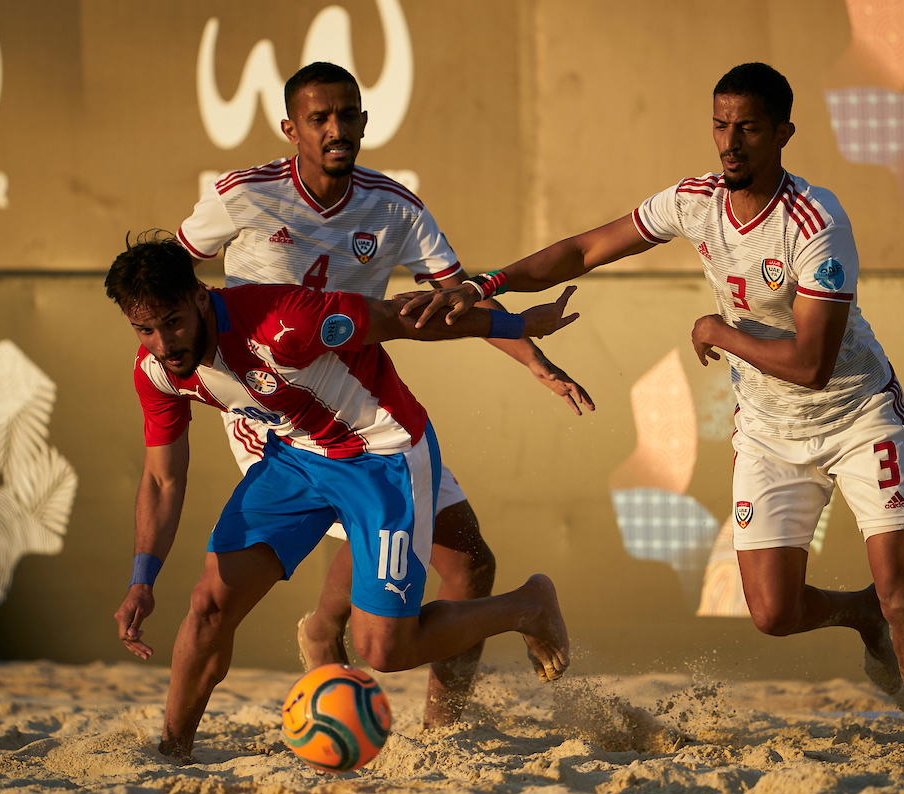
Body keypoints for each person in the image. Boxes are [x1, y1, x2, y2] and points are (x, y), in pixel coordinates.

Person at [400, 62, 904, 755]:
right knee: (773, 613)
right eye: (721, 124)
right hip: (771, 429)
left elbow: (811, 365)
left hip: (857, 414)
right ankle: (858, 611)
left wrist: (720, 332)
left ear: (783, 133)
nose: (730, 141)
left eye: (747, 126)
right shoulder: (696, 200)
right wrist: (487, 282)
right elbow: (585, 248)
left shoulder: (817, 221)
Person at [175, 61, 594, 728]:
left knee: (470, 563)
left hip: (366, 412)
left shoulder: (395, 208)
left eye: (348, 116)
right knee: (351, 534)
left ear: (365, 122)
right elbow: (173, 277)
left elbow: (451, 303)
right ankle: (314, 643)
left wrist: (533, 358)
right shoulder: (242, 196)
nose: (337, 129)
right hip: (276, 420)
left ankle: (439, 733)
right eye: (320, 118)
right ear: (292, 129)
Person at [106, 232, 573, 762]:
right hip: (298, 454)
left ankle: (528, 606)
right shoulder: (158, 371)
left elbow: (402, 319)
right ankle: (173, 752)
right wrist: (141, 580)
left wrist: (518, 326)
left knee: (384, 650)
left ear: (198, 297)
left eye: (172, 322)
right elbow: (163, 480)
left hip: (384, 455)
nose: (164, 344)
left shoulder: (286, 321)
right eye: (145, 330)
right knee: (209, 605)